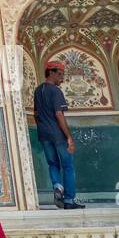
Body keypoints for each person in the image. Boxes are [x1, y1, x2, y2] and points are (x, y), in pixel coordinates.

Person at [34, 61, 85, 209]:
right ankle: (69, 200)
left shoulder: (38, 90)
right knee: (68, 166)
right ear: (51, 73)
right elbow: (59, 114)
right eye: (60, 74)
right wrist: (69, 137)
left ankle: (58, 186)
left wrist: (43, 128)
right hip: (58, 134)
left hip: (44, 134)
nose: (61, 79)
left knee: (53, 164)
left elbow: (36, 114)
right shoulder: (55, 91)